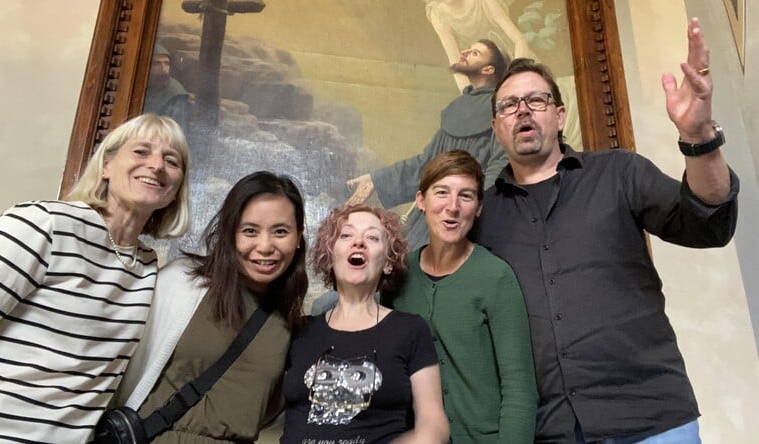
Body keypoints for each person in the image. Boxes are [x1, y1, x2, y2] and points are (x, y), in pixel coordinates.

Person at [471, 18, 738, 443]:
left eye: (536, 100)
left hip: (651, 420)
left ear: (560, 116)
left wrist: (698, 136)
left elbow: (708, 221)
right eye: (508, 105)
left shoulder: (618, 172)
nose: (522, 110)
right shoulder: (482, 218)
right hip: (548, 431)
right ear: (496, 128)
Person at [0, 113, 190, 442]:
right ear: (106, 165)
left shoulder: (145, 267)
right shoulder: (44, 224)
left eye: (171, 161)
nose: (156, 165)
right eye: (141, 151)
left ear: (176, 190)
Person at [114, 171, 308, 443]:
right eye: (250, 231)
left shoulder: (288, 324)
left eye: (280, 232)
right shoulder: (182, 281)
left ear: (298, 237)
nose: (265, 246)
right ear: (229, 233)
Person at [390, 150, 537, 443]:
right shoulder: (398, 277)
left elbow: (519, 386)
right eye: (441, 192)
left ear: (479, 208)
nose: (453, 207)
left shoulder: (495, 276)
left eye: (466, 196)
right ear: (421, 201)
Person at [281, 205, 449, 443]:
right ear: (330, 257)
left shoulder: (410, 330)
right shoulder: (299, 330)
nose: (358, 242)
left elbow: (434, 424)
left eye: (372, 237)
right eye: (346, 235)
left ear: (388, 262)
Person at [346, 39, 510, 250]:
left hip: (470, 220)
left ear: (488, 69)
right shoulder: (457, 107)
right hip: (433, 217)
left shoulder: (503, 110)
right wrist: (376, 180)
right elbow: (427, 164)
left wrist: (468, 206)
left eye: (475, 53)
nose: (465, 53)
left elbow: (500, 167)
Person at [144, 43, 191, 132]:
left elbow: (178, 128)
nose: (163, 68)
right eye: (157, 64)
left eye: (166, 63)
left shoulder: (176, 93)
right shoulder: (142, 84)